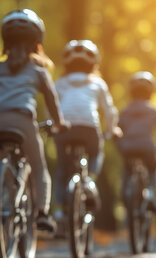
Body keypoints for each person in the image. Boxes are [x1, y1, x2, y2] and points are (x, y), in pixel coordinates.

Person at [0, 9, 67, 232]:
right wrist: (59, 122)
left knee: (4, 166)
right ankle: (43, 213)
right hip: (23, 120)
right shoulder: (39, 70)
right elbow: (52, 100)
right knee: (38, 167)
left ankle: (4, 210)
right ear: (37, 42)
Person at [53, 40, 119, 216]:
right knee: (97, 152)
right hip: (89, 128)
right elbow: (109, 110)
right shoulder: (98, 83)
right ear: (93, 63)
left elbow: (51, 106)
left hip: (64, 128)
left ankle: (59, 210)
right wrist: (112, 129)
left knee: (61, 169)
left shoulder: (60, 83)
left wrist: (53, 126)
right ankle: (90, 180)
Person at [116, 71, 156, 211]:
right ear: (151, 92)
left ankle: (126, 193)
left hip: (127, 148)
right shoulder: (153, 110)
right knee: (153, 168)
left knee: (127, 170)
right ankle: (151, 194)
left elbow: (116, 132)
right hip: (148, 147)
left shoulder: (125, 111)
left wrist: (121, 146)